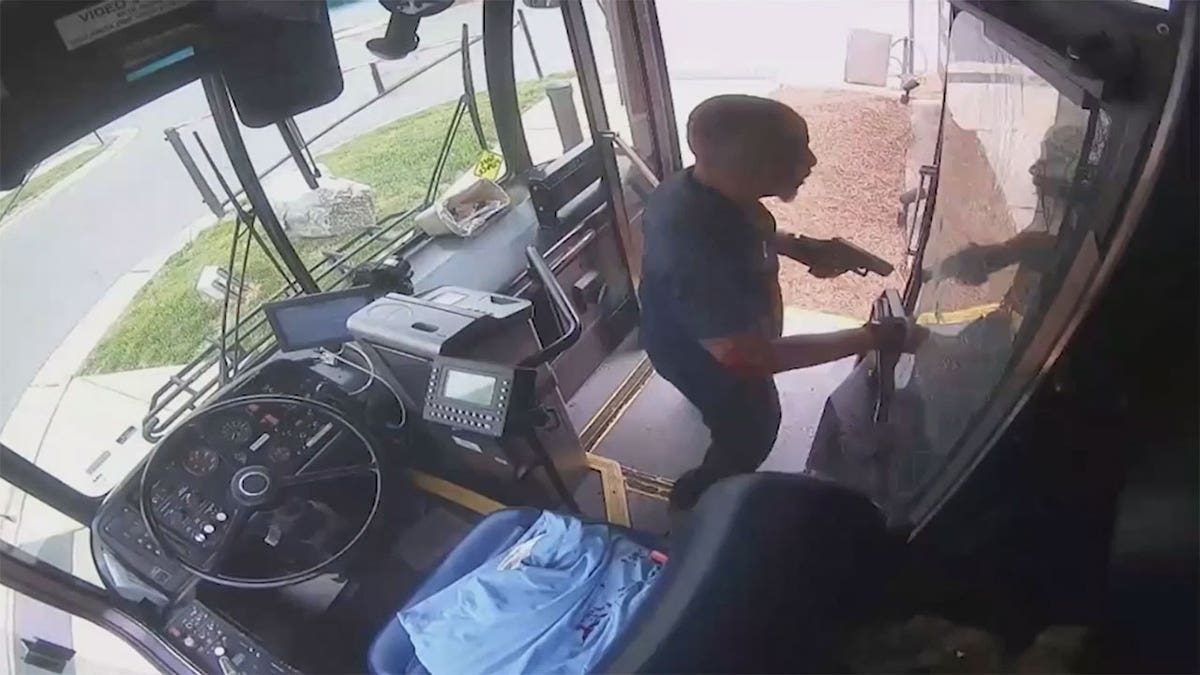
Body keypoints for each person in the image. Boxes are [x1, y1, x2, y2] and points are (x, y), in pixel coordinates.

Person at [638, 94, 923, 511]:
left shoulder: (705, 188)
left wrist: (800, 247)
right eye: (793, 154)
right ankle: (695, 508)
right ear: (748, 165)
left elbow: (741, 234)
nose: (811, 162)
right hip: (698, 358)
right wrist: (875, 336)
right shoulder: (689, 242)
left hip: (709, 333)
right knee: (751, 432)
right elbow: (747, 357)